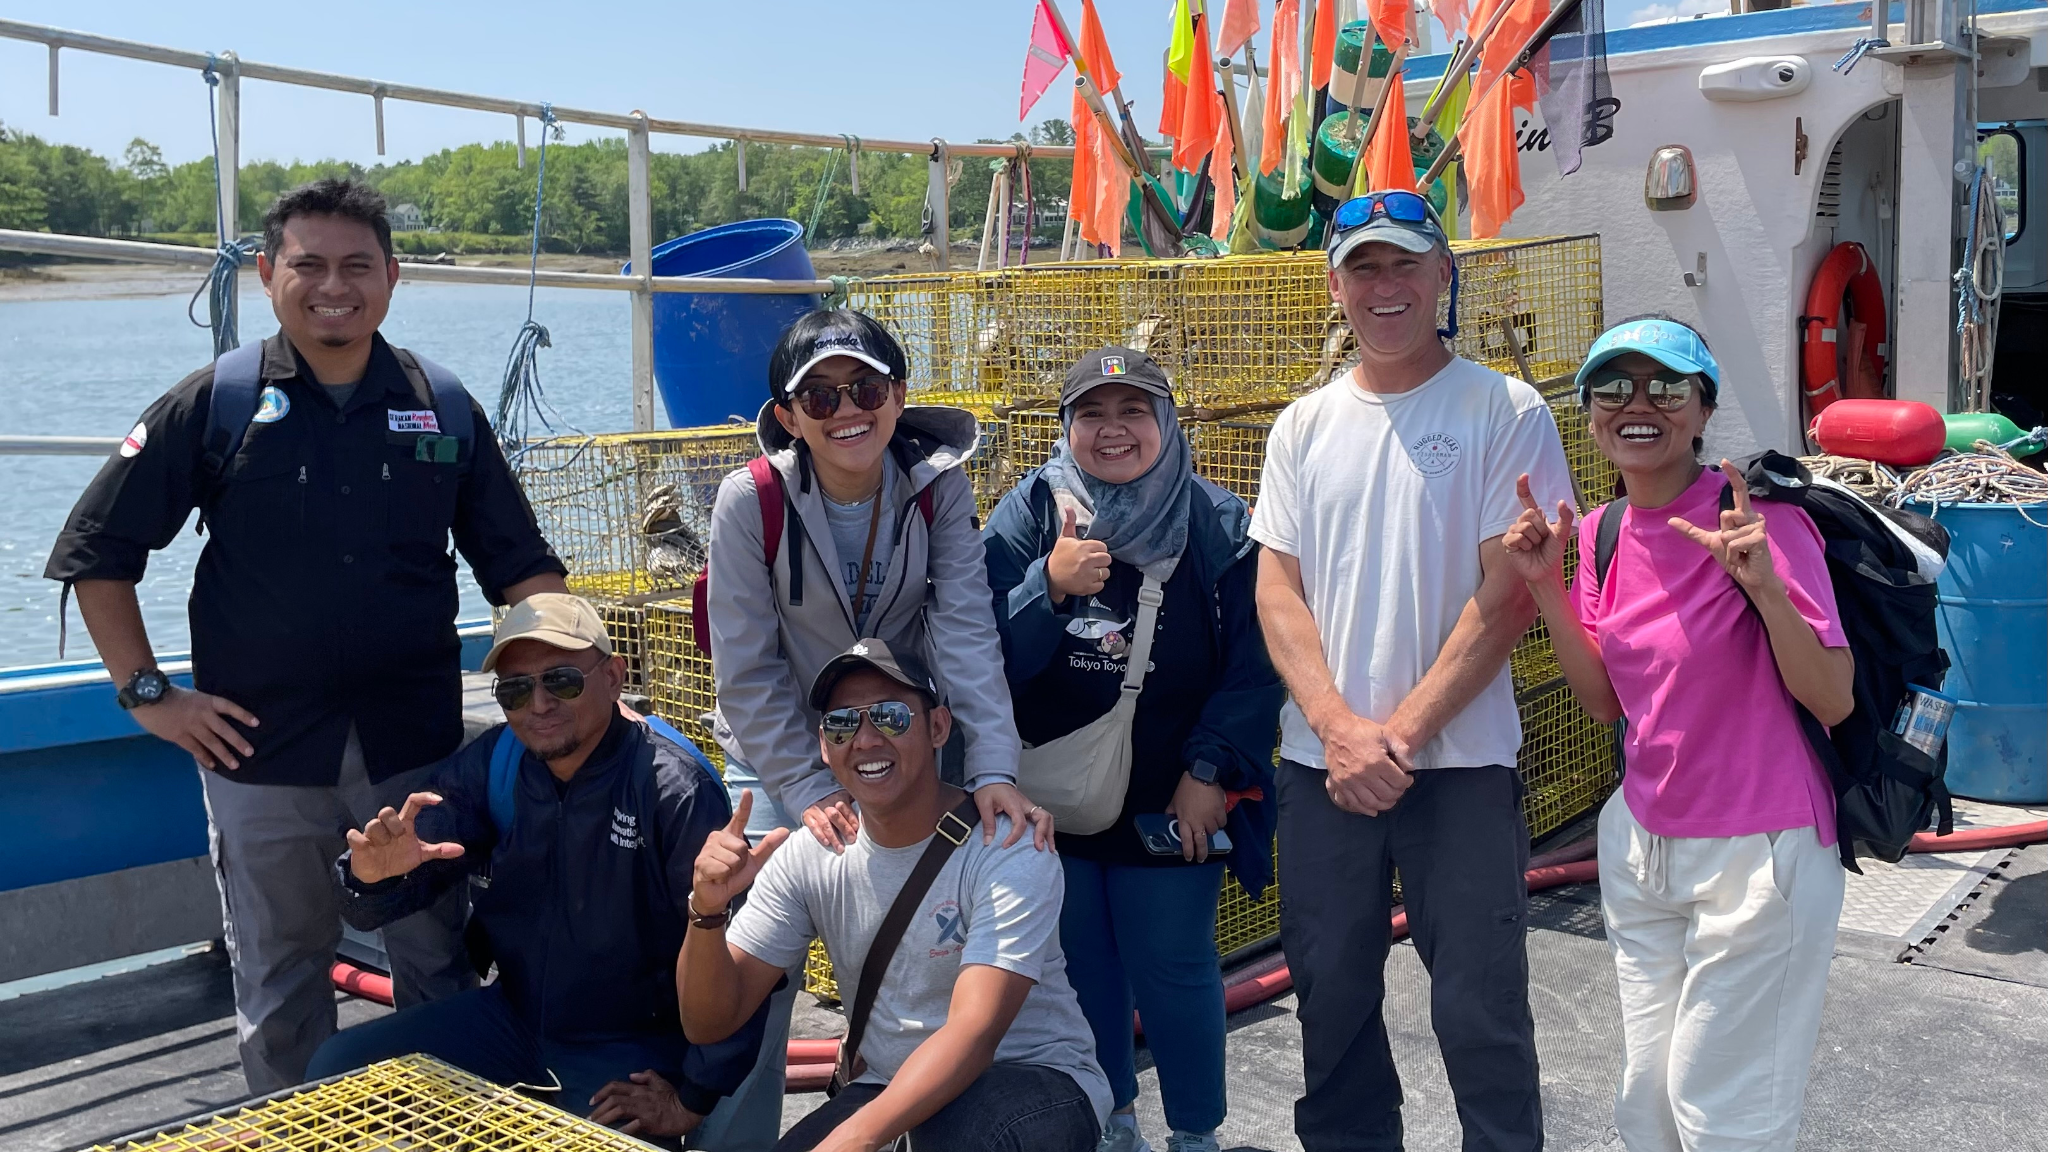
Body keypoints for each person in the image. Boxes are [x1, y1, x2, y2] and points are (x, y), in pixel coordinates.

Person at [43, 178, 568, 1093]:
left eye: (358, 265)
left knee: (436, 964)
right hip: (259, 751)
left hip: (414, 751)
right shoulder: (217, 403)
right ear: (266, 273)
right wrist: (149, 697)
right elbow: (99, 554)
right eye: (309, 264)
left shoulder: (442, 406)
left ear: (394, 277)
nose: (336, 285)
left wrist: (563, 688)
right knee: (282, 976)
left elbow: (523, 572)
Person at [1249, 191, 1573, 1151]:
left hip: (1461, 771)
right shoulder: (1301, 426)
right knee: (1331, 1003)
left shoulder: (1503, 410)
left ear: (1443, 275)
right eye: (1364, 269)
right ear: (1335, 286)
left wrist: (1398, 734)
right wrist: (1340, 733)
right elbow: (1278, 591)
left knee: (1481, 1013)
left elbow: (1510, 593)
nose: (1384, 288)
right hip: (1323, 773)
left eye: (1404, 266)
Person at [694, 307, 1053, 1149]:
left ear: (898, 396)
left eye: (863, 387)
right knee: (761, 967)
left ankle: (904, 1103)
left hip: (895, 727)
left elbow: (965, 632)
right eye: (816, 396)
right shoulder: (750, 501)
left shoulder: (938, 487)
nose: (844, 408)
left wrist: (995, 767)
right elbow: (744, 671)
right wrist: (812, 788)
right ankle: (739, 1137)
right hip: (785, 746)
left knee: (943, 915)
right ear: (787, 417)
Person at [1501, 316, 1852, 1152]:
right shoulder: (1601, 534)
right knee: (1647, 1108)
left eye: (1666, 387)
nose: (1639, 404)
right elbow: (1603, 703)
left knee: (1725, 1115)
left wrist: (1763, 586)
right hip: (1644, 845)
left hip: (1759, 853)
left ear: (1702, 411)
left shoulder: (1760, 524)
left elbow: (1833, 699)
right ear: (1589, 414)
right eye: (1614, 387)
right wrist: (1548, 587)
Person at [305, 594, 768, 1140]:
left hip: (629, 1047)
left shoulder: (673, 790)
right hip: (513, 1021)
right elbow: (384, 890)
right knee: (336, 1071)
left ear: (614, 677)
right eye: (515, 690)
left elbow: (743, 959)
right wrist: (370, 877)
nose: (539, 704)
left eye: (563, 680)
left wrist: (692, 1096)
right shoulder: (497, 763)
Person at [982, 346, 1283, 1152]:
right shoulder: (1031, 515)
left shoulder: (1219, 525)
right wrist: (1046, 586)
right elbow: (976, 654)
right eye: (1093, 414)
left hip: (1172, 798)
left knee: (1175, 963)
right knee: (1082, 970)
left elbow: (1258, 665)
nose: (1113, 431)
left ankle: (1194, 1134)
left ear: (1167, 423)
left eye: (1133, 411)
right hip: (1052, 796)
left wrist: (1210, 771)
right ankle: (1113, 1119)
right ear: (1066, 427)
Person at [679, 639, 1110, 1152]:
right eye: (842, 723)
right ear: (823, 745)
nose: (864, 740)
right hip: (887, 1083)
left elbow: (975, 1034)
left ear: (938, 728)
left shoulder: (1008, 847)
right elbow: (709, 1022)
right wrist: (706, 910)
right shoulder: (809, 855)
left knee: (958, 1140)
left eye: (889, 717)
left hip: (1033, 1077)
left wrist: (857, 1139)